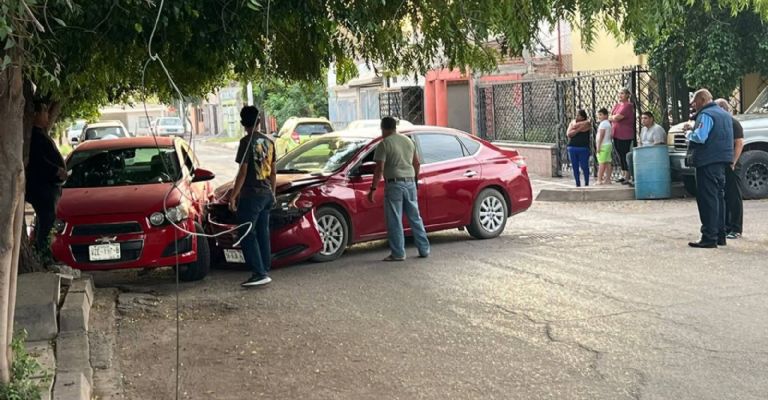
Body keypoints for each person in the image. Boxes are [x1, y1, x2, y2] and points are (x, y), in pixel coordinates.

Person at [367, 116, 430, 261]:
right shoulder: (409, 141)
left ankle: (398, 253)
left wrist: (373, 188)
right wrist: (414, 180)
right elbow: (417, 164)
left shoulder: (384, 144)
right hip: (410, 183)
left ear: (383, 128)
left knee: (395, 219)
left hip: (394, 184)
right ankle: (424, 249)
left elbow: (379, 169)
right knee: (415, 217)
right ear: (395, 127)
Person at [229, 106, 277, 287]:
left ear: (243, 123)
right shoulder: (269, 142)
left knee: (247, 232)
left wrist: (233, 196)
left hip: (251, 195)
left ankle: (259, 272)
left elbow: (242, 172)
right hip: (266, 193)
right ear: (258, 122)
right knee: (263, 233)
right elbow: (273, 172)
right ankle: (265, 267)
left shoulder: (246, 142)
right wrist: (272, 193)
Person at [684, 89, 734, 248]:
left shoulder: (706, 115)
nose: (693, 105)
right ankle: (720, 235)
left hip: (707, 162)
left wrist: (688, 134)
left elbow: (700, 136)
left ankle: (709, 237)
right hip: (722, 161)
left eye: (695, 101)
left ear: (703, 100)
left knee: (708, 200)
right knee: (719, 198)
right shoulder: (725, 115)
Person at [26, 104, 67, 253]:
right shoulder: (34, 136)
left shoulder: (41, 134)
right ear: (35, 114)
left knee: (47, 221)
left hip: (50, 186)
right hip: (42, 187)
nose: (47, 115)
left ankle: (43, 251)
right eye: (44, 111)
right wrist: (56, 170)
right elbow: (39, 161)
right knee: (46, 221)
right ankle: (43, 252)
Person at [714, 98, 744, 239]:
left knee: (733, 196)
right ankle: (726, 226)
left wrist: (733, 162)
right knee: (724, 196)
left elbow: (739, 143)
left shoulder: (733, 123)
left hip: (731, 164)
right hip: (722, 162)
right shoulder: (723, 122)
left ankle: (736, 228)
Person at [626, 111, 666, 186]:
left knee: (630, 156)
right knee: (630, 155)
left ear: (651, 119)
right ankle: (635, 178)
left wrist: (645, 151)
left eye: (645, 118)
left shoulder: (657, 129)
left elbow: (659, 144)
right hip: (643, 152)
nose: (643, 120)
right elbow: (641, 143)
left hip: (653, 153)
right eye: (642, 118)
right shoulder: (643, 129)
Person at [609, 88, 636, 184]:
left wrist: (614, 117)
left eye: (622, 93)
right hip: (616, 133)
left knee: (625, 154)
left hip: (625, 134)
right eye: (619, 93)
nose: (620, 95)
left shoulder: (628, 106)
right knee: (620, 154)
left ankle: (628, 176)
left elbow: (617, 117)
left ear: (627, 95)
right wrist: (613, 117)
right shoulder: (617, 105)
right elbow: (611, 116)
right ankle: (623, 174)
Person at [566, 109, 592, 187]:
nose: (577, 117)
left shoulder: (587, 123)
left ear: (583, 117)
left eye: (579, 115)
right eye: (576, 115)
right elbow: (569, 134)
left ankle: (586, 182)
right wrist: (578, 130)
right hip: (572, 147)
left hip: (583, 147)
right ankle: (578, 183)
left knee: (584, 166)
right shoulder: (573, 123)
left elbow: (587, 124)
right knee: (575, 166)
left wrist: (576, 128)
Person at [595, 108, 613, 185]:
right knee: (608, 162)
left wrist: (598, 146)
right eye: (598, 115)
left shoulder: (603, 124)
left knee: (602, 163)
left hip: (604, 145)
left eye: (601, 115)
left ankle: (599, 179)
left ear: (606, 115)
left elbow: (601, 136)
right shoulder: (607, 123)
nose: (599, 116)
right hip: (608, 144)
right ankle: (608, 179)